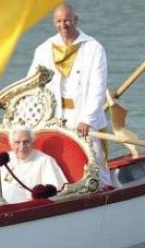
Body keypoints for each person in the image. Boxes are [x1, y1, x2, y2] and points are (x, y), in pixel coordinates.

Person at [27, 3, 111, 185]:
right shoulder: (43, 49)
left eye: (67, 20)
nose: (63, 25)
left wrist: (87, 119)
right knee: (58, 162)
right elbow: (31, 85)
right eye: (58, 21)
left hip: (84, 118)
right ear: (53, 23)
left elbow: (98, 86)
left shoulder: (93, 48)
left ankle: (107, 193)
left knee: (95, 162)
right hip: (53, 118)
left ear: (76, 20)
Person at [0, 126, 67, 205]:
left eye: (26, 142)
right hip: (0, 208)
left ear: (33, 143)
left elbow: (56, 193)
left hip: (29, 211)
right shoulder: (5, 159)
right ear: (11, 144)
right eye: (17, 142)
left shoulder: (45, 161)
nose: (22, 147)